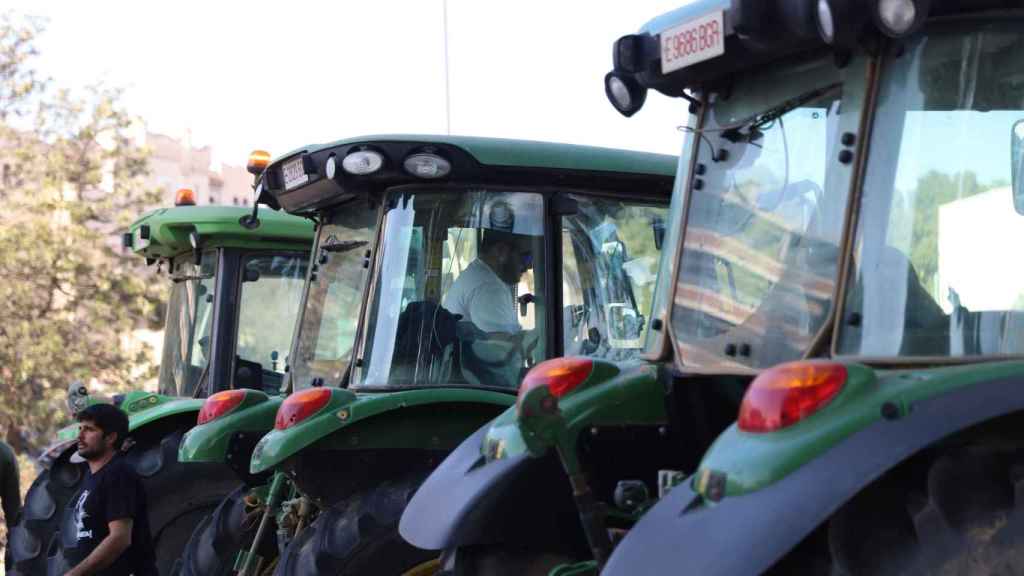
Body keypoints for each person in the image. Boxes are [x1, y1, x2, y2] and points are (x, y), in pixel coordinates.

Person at [65, 404, 156, 576]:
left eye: (89, 430)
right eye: (80, 428)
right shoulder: (93, 477)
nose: (80, 436)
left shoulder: (119, 474)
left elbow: (120, 538)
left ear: (110, 438)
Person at [442, 228, 533, 334]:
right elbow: (502, 346)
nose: (529, 266)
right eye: (526, 257)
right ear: (501, 251)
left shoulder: (478, 274)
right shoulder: (489, 287)